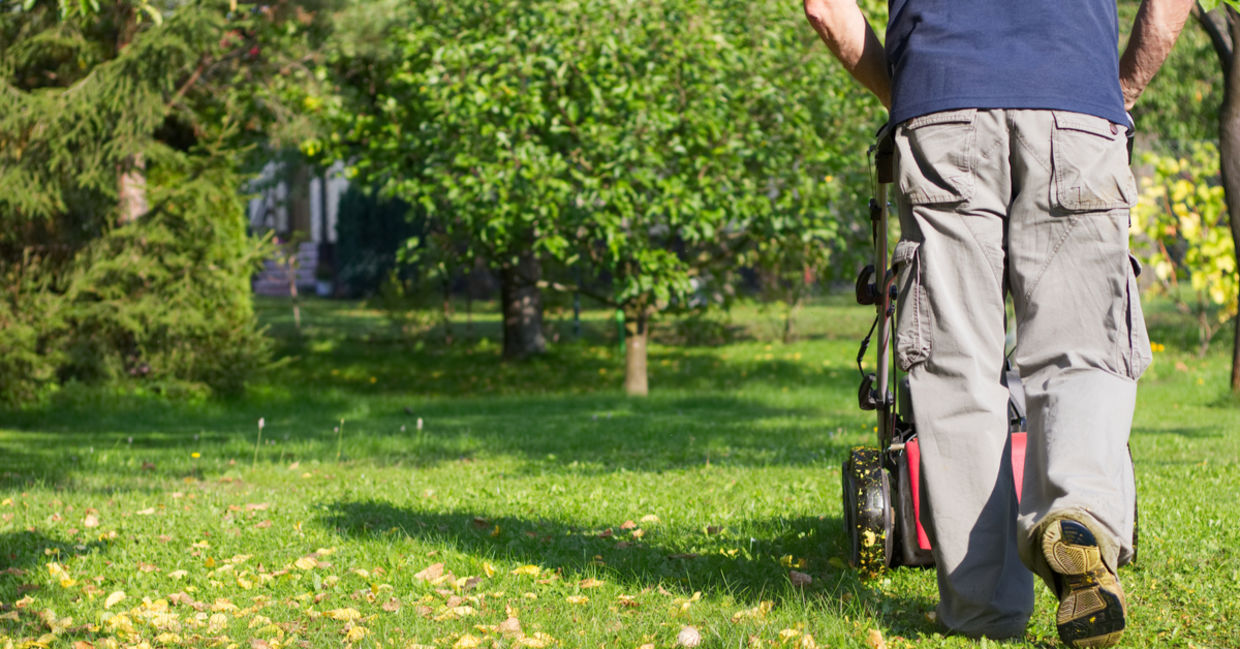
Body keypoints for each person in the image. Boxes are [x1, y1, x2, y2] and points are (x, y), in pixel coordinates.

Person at [803, 0, 1194, 646]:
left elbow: (825, 9)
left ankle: (984, 610)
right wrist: (1118, 88)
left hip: (941, 100)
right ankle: (1078, 511)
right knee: (1084, 348)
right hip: (1077, 97)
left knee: (958, 369)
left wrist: (910, 94)